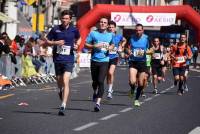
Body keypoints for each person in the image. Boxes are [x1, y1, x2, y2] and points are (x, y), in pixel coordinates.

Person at [44, 10, 81, 115]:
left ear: (70, 19)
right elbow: (46, 41)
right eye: (63, 18)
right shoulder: (55, 29)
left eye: (66, 18)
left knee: (65, 80)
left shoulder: (74, 30)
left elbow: (79, 38)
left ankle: (63, 105)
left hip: (69, 59)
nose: (64, 20)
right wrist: (55, 42)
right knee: (59, 81)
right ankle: (60, 90)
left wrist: (77, 45)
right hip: (58, 59)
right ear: (61, 19)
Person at [85, 17, 114, 112]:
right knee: (95, 81)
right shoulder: (93, 33)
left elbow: (113, 44)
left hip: (105, 60)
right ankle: (95, 91)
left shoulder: (110, 35)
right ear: (99, 23)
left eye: (105, 22)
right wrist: (93, 46)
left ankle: (98, 103)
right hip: (94, 60)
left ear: (107, 25)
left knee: (101, 81)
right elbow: (86, 44)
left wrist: (110, 47)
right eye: (101, 22)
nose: (103, 24)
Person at [126, 23, 149, 107]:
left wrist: (149, 51)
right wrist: (128, 51)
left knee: (141, 83)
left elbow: (150, 48)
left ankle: (136, 100)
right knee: (132, 81)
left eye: (140, 30)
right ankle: (132, 89)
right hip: (133, 61)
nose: (138, 32)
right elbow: (127, 48)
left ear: (143, 30)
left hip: (142, 62)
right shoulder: (132, 38)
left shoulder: (146, 38)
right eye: (136, 30)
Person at [106, 20, 127, 99]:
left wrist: (122, 45)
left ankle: (109, 90)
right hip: (105, 57)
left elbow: (125, 40)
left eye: (112, 27)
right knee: (107, 75)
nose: (111, 29)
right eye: (110, 27)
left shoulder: (118, 36)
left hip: (114, 57)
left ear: (115, 29)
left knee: (111, 73)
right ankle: (109, 87)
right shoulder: (105, 36)